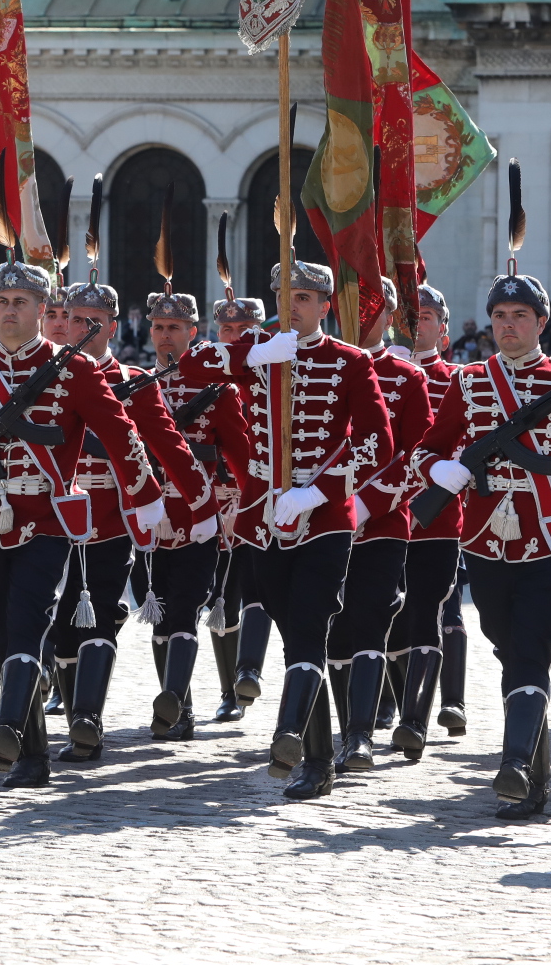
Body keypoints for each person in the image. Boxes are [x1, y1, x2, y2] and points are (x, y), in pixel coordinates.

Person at [0, 259, 166, 788]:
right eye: (3, 302)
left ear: (42, 311)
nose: (9, 312)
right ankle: (32, 752)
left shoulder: (72, 369)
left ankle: (6, 727)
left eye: (21, 303)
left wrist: (146, 498)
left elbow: (121, 434)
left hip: (47, 518)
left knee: (28, 618)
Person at [412, 263, 551, 821]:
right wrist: (446, 473)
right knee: (508, 646)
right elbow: (427, 450)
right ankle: (533, 783)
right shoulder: (469, 383)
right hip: (486, 538)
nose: (507, 326)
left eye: (519, 316)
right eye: (498, 316)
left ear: (542, 321)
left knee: (532, 647)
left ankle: (513, 763)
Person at [196, 260, 394, 801]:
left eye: (306, 297)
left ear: (326, 305)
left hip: (324, 517)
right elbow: (200, 368)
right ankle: (320, 758)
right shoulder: (258, 354)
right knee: (294, 633)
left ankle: (292, 741)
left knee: (310, 625)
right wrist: (253, 352)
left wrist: (322, 490)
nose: (294, 306)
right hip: (262, 515)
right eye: (286, 296)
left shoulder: (349, 362)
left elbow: (378, 440)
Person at [49, 277, 214, 761]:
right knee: (60, 630)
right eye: (76, 319)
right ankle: (67, 706)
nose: (83, 328)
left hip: (112, 519)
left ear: (114, 328)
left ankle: (87, 720)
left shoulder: (133, 382)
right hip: (50, 518)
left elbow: (169, 443)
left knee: (98, 611)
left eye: (94, 323)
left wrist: (201, 505)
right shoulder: (45, 375)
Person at [330, 278, 434, 772]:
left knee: (370, 617)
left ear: (391, 315)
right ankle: (339, 720)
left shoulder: (406, 378)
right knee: (331, 625)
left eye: (373, 308)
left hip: (383, 521)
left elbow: (418, 455)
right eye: (352, 305)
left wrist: (369, 504)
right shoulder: (306, 365)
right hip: (319, 519)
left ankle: (359, 735)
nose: (362, 316)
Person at [143, 288, 255, 743]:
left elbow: (244, 456)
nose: (165, 336)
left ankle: (176, 708)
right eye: (158, 327)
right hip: (147, 517)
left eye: (174, 328)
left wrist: (250, 509)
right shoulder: (136, 383)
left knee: (186, 609)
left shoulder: (216, 391)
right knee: (158, 614)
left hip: (199, 516)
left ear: (193, 333)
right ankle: (178, 702)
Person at [382, 283, 468, 754]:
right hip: (383, 512)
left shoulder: (459, 381)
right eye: (410, 316)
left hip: (436, 510)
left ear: (445, 330)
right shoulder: (375, 373)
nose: (417, 325)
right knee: (385, 611)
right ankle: (389, 701)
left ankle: (423, 713)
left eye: (428, 316)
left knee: (433, 610)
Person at [205, 295, 275, 719]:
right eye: (227, 331)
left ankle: (250, 671)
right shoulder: (209, 377)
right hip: (215, 501)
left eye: (244, 330)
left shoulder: (272, 373)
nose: (234, 338)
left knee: (257, 588)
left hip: (260, 499)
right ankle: (229, 689)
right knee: (220, 596)